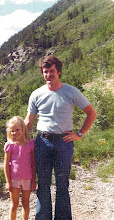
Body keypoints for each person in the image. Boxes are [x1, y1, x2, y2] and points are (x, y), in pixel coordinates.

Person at [24, 55, 97, 220]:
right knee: (43, 185)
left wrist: (80, 134)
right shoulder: (36, 94)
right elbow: (29, 121)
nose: (48, 75)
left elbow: (91, 113)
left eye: (51, 71)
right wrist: (20, 141)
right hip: (42, 143)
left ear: (59, 72)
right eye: (45, 72)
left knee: (62, 185)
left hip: (64, 143)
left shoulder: (71, 91)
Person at [4, 116, 36, 220]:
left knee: (26, 204)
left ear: (23, 129)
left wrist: (34, 180)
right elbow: (6, 165)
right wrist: (8, 181)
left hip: (27, 178)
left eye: (17, 129)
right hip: (14, 179)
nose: (15, 133)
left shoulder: (30, 144)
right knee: (14, 204)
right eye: (12, 131)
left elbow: (33, 163)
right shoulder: (10, 145)